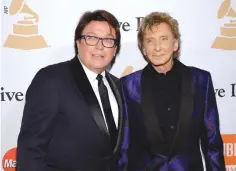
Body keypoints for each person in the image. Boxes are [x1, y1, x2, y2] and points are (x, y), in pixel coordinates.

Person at [17, 10, 128, 171]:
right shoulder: (51, 79)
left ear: (115, 48)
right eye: (91, 38)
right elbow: (30, 151)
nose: (100, 46)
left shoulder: (118, 86)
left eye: (108, 40)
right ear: (78, 42)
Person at [120, 12, 225, 171]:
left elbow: (212, 141)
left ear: (175, 44)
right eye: (150, 41)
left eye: (164, 39)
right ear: (143, 48)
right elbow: (124, 145)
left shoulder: (201, 80)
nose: (157, 47)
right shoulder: (127, 85)